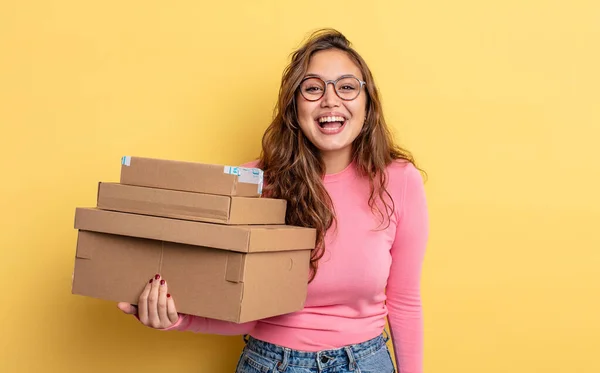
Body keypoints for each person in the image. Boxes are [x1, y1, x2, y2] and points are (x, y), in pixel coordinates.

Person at [118, 28, 429, 373]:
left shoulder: (399, 181)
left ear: (367, 105)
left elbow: (404, 301)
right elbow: (242, 312)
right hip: (271, 363)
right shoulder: (252, 184)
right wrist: (177, 318)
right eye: (313, 88)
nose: (330, 100)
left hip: (367, 363)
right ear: (294, 107)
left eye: (346, 86)